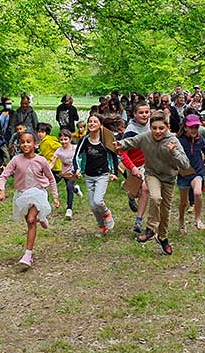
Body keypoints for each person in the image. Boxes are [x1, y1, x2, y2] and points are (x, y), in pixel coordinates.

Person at [114, 111, 190, 255]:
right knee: (155, 197)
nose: (157, 131)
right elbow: (131, 142)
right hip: (152, 174)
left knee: (165, 211)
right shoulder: (146, 137)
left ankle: (162, 237)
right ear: (150, 127)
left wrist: (174, 152)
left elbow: (185, 164)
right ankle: (150, 229)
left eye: (161, 128)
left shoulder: (173, 141)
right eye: (154, 128)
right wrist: (120, 144)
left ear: (167, 127)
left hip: (169, 178)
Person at [0, 132, 59, 269]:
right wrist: (1, 189)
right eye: (23, 142)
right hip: (22, 194)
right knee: (29, 220)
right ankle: (41, 217)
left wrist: (55, 196)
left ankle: (28, 254)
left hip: (38, 192)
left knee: (31, 220)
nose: (25, 144)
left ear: (35, 144)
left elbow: (51, 178)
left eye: (28, 142)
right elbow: (3, 176)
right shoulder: (16, 160)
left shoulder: (41, 160)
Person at [73, 114, 119, 236]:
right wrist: (77, 169)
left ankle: (107, 213)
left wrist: (114, 173)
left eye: (95, 122)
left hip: (102, 175)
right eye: (90, 121)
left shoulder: (105, 140)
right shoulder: (84, 140)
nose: (92, 124)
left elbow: (114, 156)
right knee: (93, 207)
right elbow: (76, 156)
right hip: (89, 176)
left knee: (98, 201)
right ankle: (102, 227)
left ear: (100, 125)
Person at [176, 115, 205, 233]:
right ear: (185, 127)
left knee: (197, 192)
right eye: (191, 127)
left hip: (197, 171)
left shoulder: (199, 139)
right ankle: (181, 221)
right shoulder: (179, 141)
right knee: (183, 202)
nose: (194, 130)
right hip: (183, 174)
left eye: (196, 127)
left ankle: (198, 219)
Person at [119, 102, 151, 233]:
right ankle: (131, 196)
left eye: (147, 112)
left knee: (145, 189)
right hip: (133, 164)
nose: (144, 115)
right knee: (136, 192)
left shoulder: (152, 127)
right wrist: (132, 168)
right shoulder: (130, 131)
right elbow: (122, 152)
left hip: (148, 164)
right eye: (141, 113)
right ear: (135, 114)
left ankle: (138, 220)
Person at [50, 129, 79, 219]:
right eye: (61, 139)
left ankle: (69, 209)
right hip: (65, 173)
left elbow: (81, 157)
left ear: (70, 139)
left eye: (65, 139)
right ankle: (76, 190)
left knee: (69, 186)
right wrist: (45, 169)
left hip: (74, 171)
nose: (63, 142)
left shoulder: (75, 148)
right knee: (70, 187)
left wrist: (79, 169)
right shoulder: (59, 151)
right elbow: (52, 163)